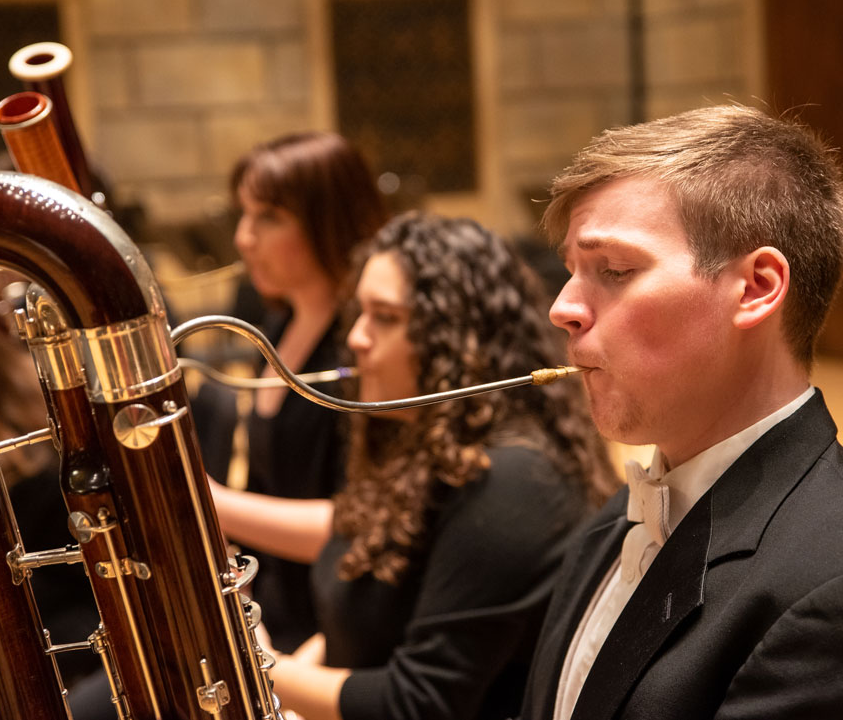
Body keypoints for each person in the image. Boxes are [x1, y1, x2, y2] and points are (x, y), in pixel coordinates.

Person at [520, 105, 843, 720]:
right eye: (571, 272)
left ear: (755, 288)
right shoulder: (619, 516)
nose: (562, 308)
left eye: (614, 270)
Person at [249, 212, 618, 720]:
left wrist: (262, 670)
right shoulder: (428, 448)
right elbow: (364, 609)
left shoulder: (515, 482)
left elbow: (420, 703)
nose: (356, 337)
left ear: (454, 339)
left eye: (386, 317)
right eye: (360, 312)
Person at [200, 131, 389, 653]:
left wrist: (208, 505)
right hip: (273, 615)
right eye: (243, 215)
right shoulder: (277, 328)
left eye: (268, 218)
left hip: (334, 632)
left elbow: (366, 522)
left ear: (329, 223)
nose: (243, 239)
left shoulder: (364, 347)